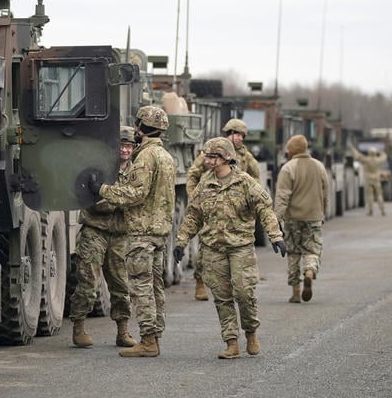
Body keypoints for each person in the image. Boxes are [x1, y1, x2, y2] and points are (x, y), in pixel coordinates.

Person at [173, 137, 286, 359]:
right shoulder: (204, 183)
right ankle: (231, 342)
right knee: (222, 298)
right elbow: (193, 215)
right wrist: (181, 241)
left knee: (244, 293)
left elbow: (264, 208)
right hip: (213, 248)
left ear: (226, 158)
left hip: (240, 247)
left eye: (213, 157)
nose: (209, 161)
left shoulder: (245, 182)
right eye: (207, 156)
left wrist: (275, 236)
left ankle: (251, 332)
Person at [90, 106, 176, 357]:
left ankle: (148, 340)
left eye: (138, 125)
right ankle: (155, 336)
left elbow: (135, 193)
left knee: (141, 286)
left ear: (141, 127)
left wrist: (103, 189)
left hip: (142, 233)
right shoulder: (167, 157)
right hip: (160, 232)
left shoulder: (146, 157)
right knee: (156, 286)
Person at [69, 126, 138, 348]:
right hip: (94, 230)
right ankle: (78, 327)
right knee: (87, 281)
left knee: (121, 285)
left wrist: (114, 197)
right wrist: (121, 200)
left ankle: (123, 331)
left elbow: (139, 199)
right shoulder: (97, 170)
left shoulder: (137, 173)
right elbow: (93, 201)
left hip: (120, 235)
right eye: (121, 146)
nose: (125, 150)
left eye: (128, 146)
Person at [185, 118, 260, 301]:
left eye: (241, 135)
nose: (238, 138)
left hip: (235, 211)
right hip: (210, 207)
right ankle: (200, 282)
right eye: (235, 134)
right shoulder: (213, 152)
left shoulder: (246, 158)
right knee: (206, 247)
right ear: (228, 135)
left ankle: (233, 285)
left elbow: (256, 181)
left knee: (237, 251)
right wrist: (196, 199)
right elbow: (193, 175)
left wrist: (248, 203)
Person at [273, 135, 329, 304]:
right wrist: (322, 213)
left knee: (293, 253)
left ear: (291, 151)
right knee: (312, 250)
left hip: (292, 219)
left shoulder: (288, 168)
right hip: (313, 217)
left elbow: (282, 197)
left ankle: (296, 292)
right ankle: (310, 272)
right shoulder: (319, 166)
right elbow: (325, 193)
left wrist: (276, 220)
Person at [351, 145, 386, 216]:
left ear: (369, 153)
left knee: (370, 196)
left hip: (369, 180)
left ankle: (371, 210)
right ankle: (382, 210)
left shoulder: (366, 160)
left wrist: (353, 149)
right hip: (376, 179)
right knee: (379, 195)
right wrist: (381, 152)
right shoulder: (378, 160)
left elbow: (358, 156)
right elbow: (384, 157)